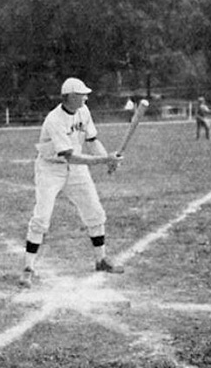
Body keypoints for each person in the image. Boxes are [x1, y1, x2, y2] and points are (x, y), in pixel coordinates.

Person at [19, 78, 124, 288]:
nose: (86, 97)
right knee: (42, 217)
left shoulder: (84, 111)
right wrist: (104, 160)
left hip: (76, 169)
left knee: (95, 212)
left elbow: (92, 140)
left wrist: (107, 160)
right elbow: (70, 156)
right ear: (71, 97)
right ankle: (28, 268)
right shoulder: (54, 119)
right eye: (83, 94)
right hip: (51, 168)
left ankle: (100, 260)